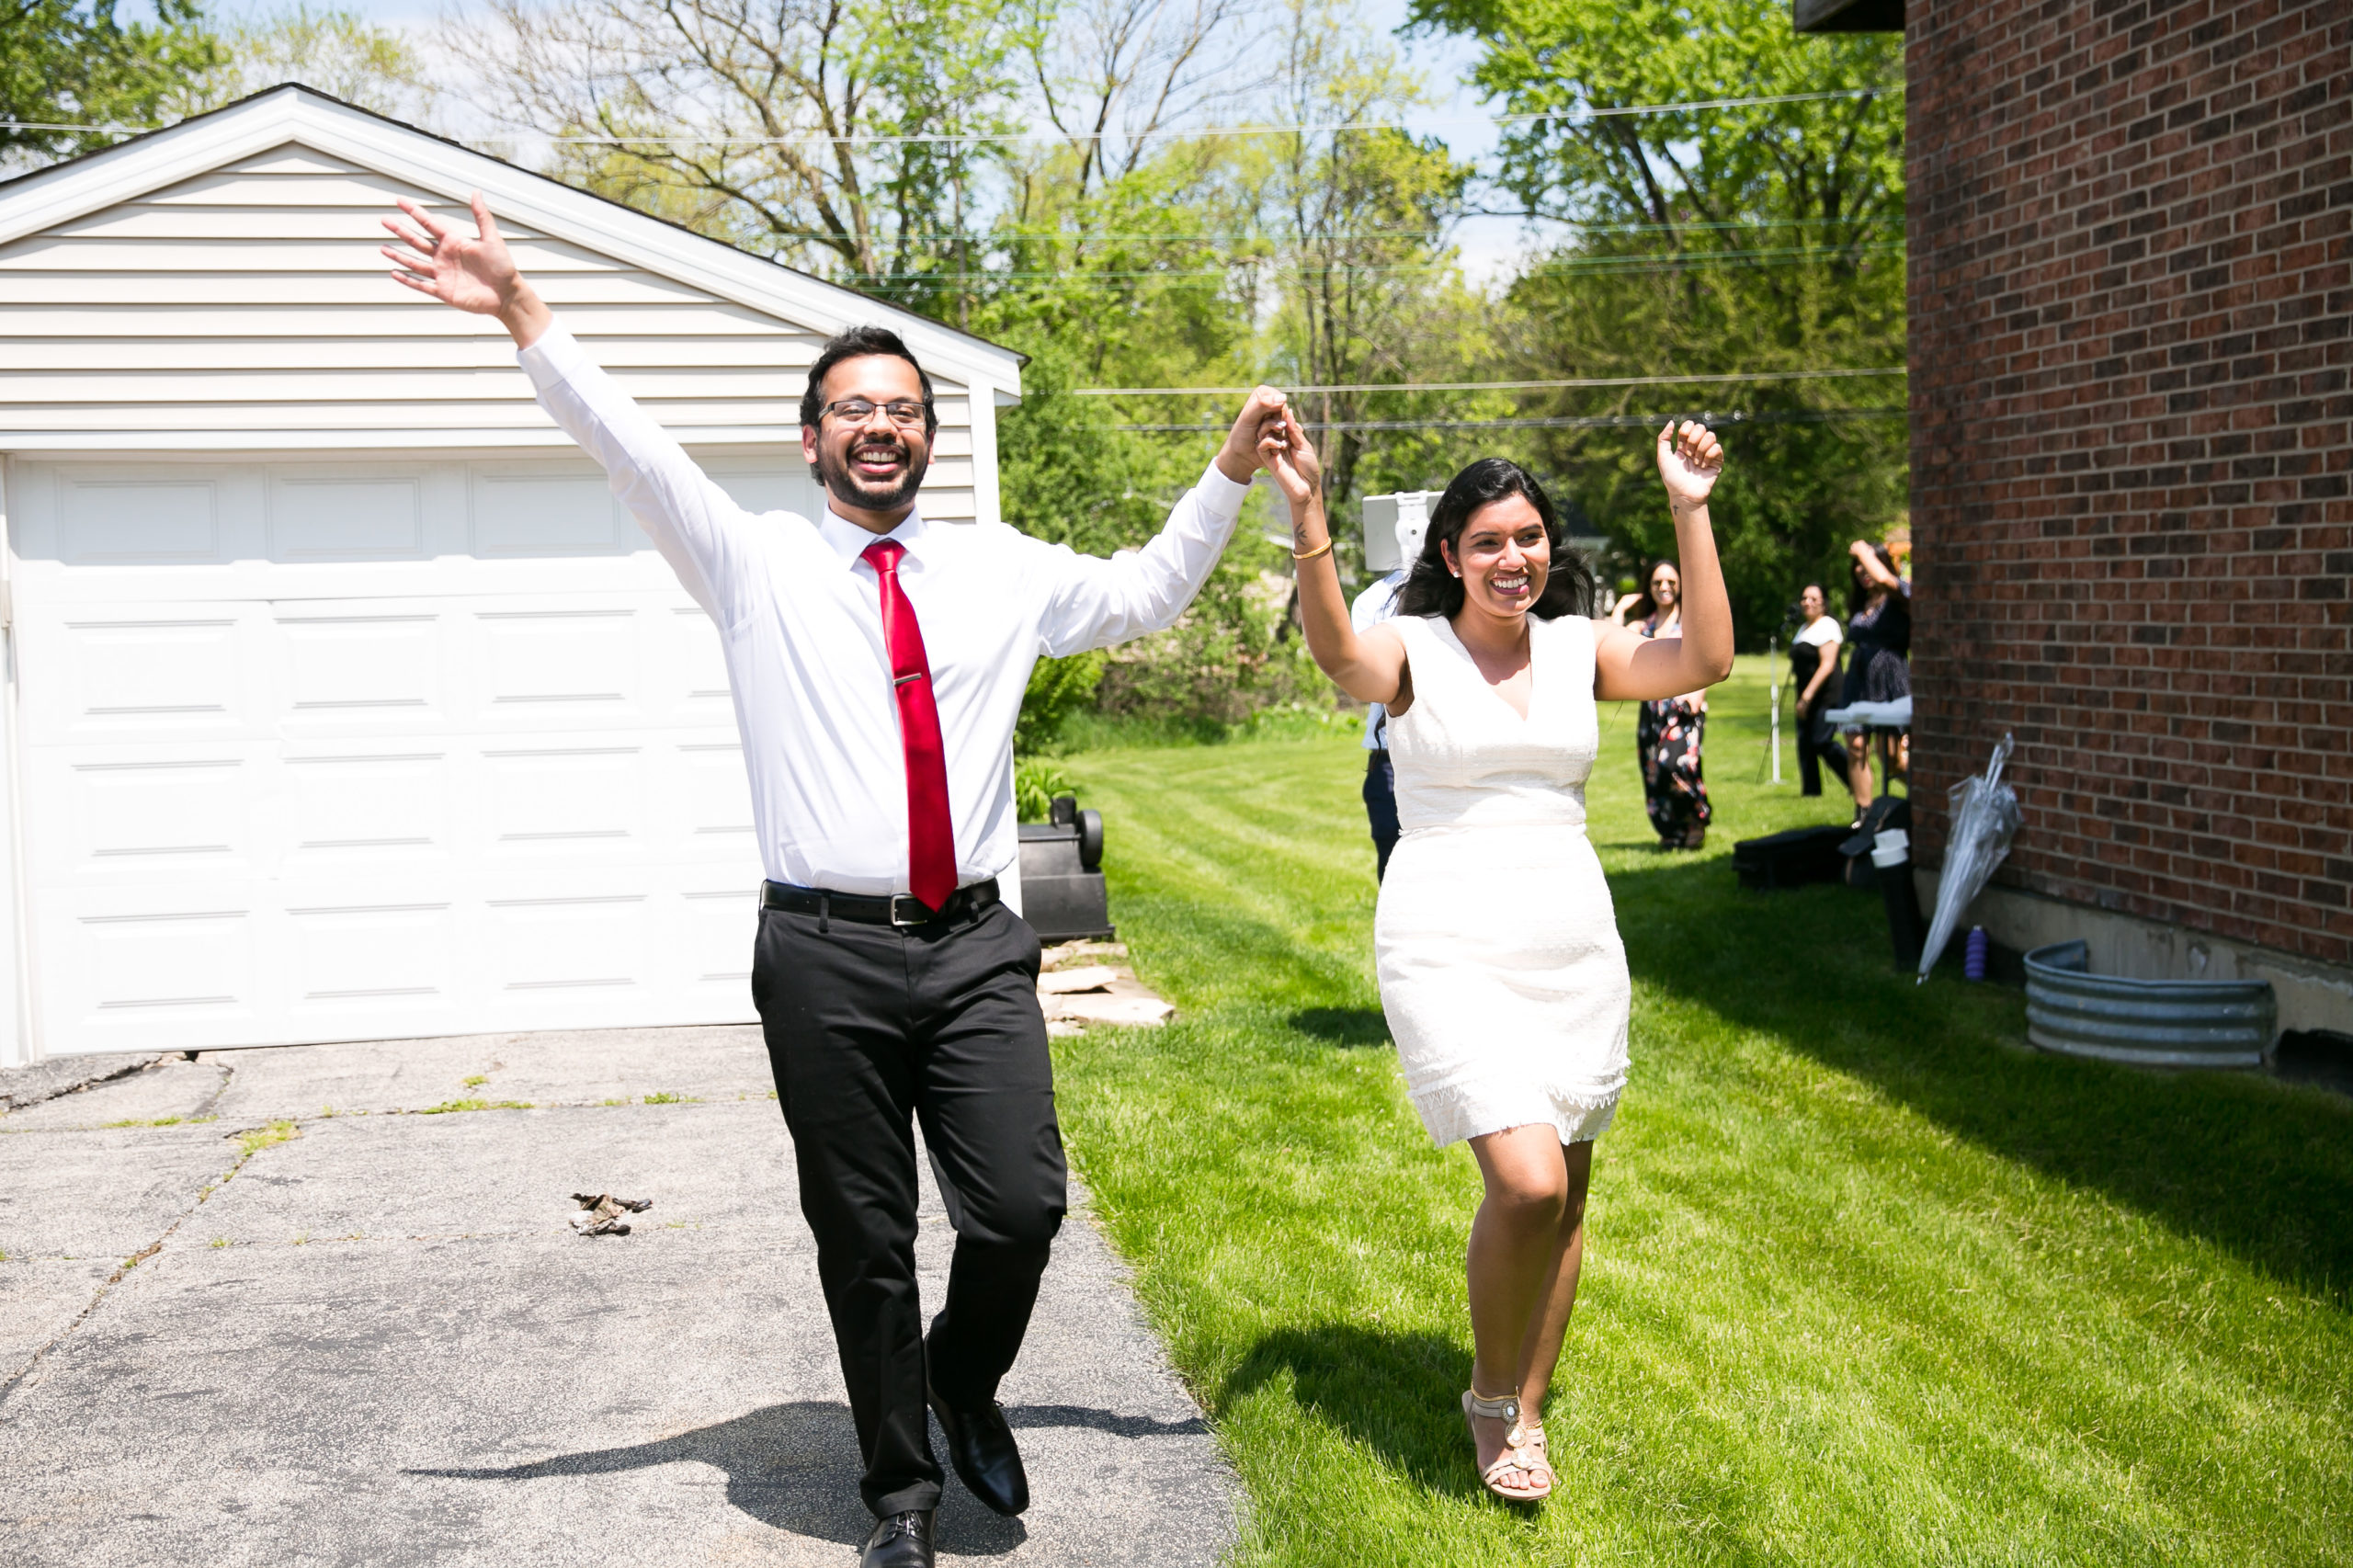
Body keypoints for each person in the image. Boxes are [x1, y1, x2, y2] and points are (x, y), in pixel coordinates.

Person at [381, 193, 1284, 1568]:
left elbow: (1151, 589)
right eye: (856, 407)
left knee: (1022, 1205)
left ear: (927, 434)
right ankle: (903, 1500)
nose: (884, 425)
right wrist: (520, 307)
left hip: (977, 940)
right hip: (824, 954)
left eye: (906, 407)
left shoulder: (1001, 569)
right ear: (814, 439)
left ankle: (962, 1373)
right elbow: (629, 451)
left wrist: (1224, 467)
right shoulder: (753, 563)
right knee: (865, 1234)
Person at [1269, 412, 1732, 1504]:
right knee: (1522, 1182)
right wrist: (1306, 516)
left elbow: (1704, 656)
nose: (1511, 558)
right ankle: (1486, 1395)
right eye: (1486, 541)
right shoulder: (1413, 650)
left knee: (1565, 1189)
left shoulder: (1581, 644)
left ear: (1548, 546)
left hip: (1569, 935)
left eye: (1528, 537)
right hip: (1444, 930)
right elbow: (1338, 652)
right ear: (1447, 554)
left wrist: (1689, 508)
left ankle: (1526, 1413)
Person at [1350, 506, 1428, 881]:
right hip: (1389, 756)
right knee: (1397, 870)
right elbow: (1372, 681)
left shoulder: (1472, 592)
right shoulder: (1371, 601)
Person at [1610, 561, 1711, 849]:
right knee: (1653, 772)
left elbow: (1704, 657)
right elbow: (1609, 646)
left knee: (1675, 765)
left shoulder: (1690, 622)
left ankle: (1695, 821)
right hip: (1652, 711)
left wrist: (1697, 695)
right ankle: (1671, 831)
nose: (1664, 587)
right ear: (1649, 588)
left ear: (1680, 586)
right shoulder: (1644, 626)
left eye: (1670, 582)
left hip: (1684, 707)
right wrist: (1619, 609)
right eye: (1657, 583)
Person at [1841, 540, 1911, 811]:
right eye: (1857, 567)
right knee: (1856, 746)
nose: (1862, 570)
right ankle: (1864, 815)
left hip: (1890, 678)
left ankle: (1926, 794)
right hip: (1858, 680)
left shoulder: (1899, 595)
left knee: (1891, 758)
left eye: (1867, 564)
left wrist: (1862, 550)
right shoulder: (1861, 602)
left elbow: (1885, 579)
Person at [1789, 583, 1848, 797]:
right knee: (1805, 744)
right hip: (1805, 694)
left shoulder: (1828, 626)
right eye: (1804, 598)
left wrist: (1807, 697)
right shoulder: (1803, 628)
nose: (1807, 602)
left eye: (1814, 599)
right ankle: (1811, 792)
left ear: (1824, 603)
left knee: (1821, 741)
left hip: (1825, 695)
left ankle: (1854, 780)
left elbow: (1827, 665)